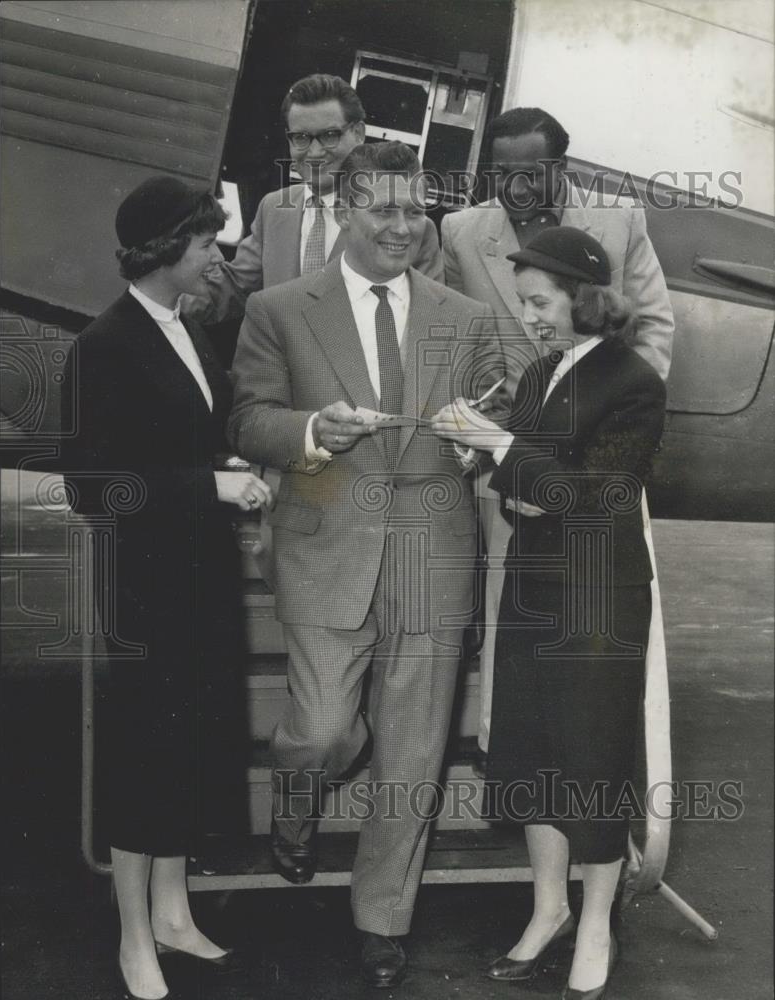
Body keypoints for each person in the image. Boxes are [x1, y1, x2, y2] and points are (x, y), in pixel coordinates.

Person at [227, 140, 503, 988]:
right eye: (382, 207)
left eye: (414, 209)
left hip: (436, 556)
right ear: (341, 207)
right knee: (314, 730)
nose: (401, 225)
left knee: (414, 753)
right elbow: (247, 419)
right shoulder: (279, 309)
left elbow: (496, 419)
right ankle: (299, 800)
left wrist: (475, 451)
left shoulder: (465, 316)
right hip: (324, 550)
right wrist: (312, 433)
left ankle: (382, 918)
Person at [432, 227, 667, 1000]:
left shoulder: (635, 381)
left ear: (587, 301)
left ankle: (596, 920)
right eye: (525, 301)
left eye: (541, 302)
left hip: (599, 596)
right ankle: (548, 909)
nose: (528, 315)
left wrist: (505, 450)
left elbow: (600, 497)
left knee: (592, 755)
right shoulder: (537, 374)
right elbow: (526, 492)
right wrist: (517, 471)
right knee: (533, 747)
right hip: (535, 583)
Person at [61, 176, 272, 1000]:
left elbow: (186, 436)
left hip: (201, 574)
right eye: (203, 244)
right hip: (147, 586)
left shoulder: (188, 331)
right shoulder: (104, 344)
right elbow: (92, 485)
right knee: (146, 758)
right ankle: (133, 937)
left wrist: (227, 468)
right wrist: (207, 488)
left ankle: (175, 914)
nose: (215, 257)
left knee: (191, 747)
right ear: (162, 253)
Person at [441, 106, 674, 761]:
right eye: (502, 174)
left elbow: (655, 325)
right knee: (511, 605)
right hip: (507, 461)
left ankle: (588, 767)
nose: (514, 189)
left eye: (530, 173)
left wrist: (610, 411)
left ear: (561, 168)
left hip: (599, 458)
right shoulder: (460, 231)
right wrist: (482, 423)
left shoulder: (619, 220)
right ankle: (506, 753)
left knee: (594, 627)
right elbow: (453, 337)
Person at [186, 73, 444, 324]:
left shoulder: (408, 228)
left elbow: (423, 322)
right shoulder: (274, 209)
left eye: (330, 135)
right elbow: (229, 290)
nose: (315, 152)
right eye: (301, 137)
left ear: (359, 133)